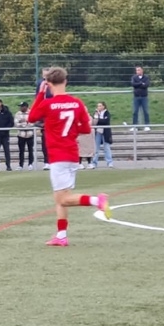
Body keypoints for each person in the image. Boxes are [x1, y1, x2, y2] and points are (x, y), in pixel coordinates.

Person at [27, 67, 112, 247]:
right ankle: (61, 235)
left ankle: (97, 200)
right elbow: (86, 129)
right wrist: (73, 129)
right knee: (60, 197)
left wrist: (40, 94)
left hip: (58, 155)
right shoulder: (76, 103)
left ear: (48, 84)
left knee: (63, 199)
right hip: (72, 154)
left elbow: (32, 117)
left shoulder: (48, 104)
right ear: (66, 81)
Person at [91, 101, 114, 169]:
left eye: (100, 106)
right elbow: (94, 122)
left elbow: (106, 121)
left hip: (105, 132)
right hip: (98, 132)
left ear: (103, 106)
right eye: (98, 106)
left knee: (106, 148)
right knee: (96, 148)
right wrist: (97, 119)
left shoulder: (107, 113)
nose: (99, 107)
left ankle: (109, 162)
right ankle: (94, 163)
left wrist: (98, 120)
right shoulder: (96, 113)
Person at [14, 101, 35, 170]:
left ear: (26, 107)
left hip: (30, 134)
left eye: (22, 106)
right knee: (21, 151)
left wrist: (25, 124)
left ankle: (30, 164)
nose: (21, 108)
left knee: (30, 150)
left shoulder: (31, 113)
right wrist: (24, 125)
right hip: (21, 135)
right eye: (20, 106)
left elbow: (33, 122)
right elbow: (16, 124)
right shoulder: (18, 114)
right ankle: (20, 165)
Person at [130, 66, 150, 131]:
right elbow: (133, 84)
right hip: (136, 97)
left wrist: (138, 84)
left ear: (142, 70)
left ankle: (147, 125)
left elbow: (146, 85)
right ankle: (134, 126)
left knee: (146, 111)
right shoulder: (134, 77)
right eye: (136, 70)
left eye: (139, 70)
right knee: (135, 112)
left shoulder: (146, 77)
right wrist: (141, 83)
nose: (137, 71)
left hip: (144, 97)